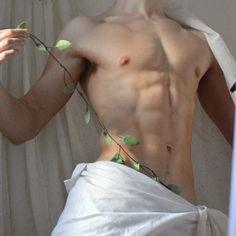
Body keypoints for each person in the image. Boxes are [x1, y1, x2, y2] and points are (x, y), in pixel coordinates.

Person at [0, 0, 234, 235]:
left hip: (182, 214)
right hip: (113, 204)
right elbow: (22, 126)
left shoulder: (200, 41)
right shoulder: (87, 31)